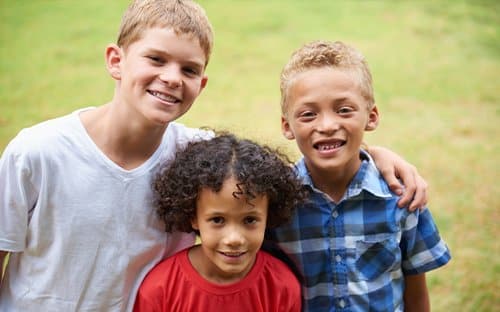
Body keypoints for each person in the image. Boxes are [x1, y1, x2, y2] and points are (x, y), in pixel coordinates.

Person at [0, 0, 429, 310]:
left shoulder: (193, 155)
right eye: (156, 59)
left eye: (188, 69)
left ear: (201, 84)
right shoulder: (37, 153)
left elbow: (275, 168)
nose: (171, 78)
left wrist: (375, 154)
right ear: (116, 60)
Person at [269, 40, 451, 311]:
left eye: (344, 110)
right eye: (308, 115)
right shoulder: (276, 204)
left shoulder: (401, 196)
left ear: (372, 116)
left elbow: (415, 289)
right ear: (287, 126)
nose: (328, 125)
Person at [133, 132, 306, 312]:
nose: (234, 239)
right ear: (193, 216)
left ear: (268, 215)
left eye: (249, 220)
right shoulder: (160, 289)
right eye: (217, 220)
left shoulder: (282, 286)